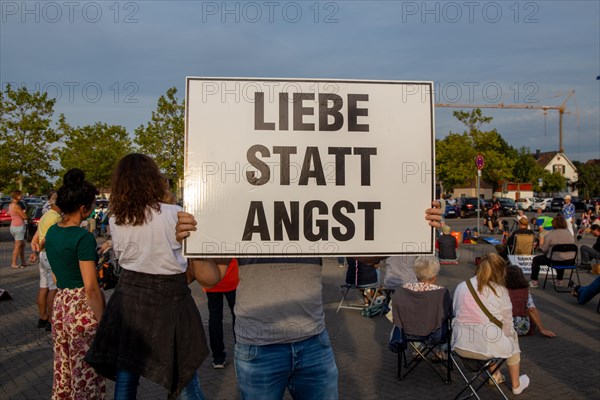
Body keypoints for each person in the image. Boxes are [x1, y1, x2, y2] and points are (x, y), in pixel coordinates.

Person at [175, 202, 444, 399]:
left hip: (313, 343)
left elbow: (368, 257)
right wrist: (195, 247)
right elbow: (210, 278)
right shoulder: (241, 209)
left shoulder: (316, 203)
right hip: (258, 348)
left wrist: (414, 224)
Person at [85, 154, 209, 400]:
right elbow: (185, 259)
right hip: (169, 298)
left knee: (126, 374)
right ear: (153, 178)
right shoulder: (175, 212)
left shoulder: (117, 219)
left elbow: (123, 258)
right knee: (181, 373)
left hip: (129, 297)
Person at [44, 169, 106, 399]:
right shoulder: (83, 238)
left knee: (64, 366)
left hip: (61, 304)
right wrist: (104, 321)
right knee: (85, 372)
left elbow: (58, 275)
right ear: (83, 208)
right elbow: (91, 287)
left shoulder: (51, 232)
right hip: (81, 308)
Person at [452, 253, 530, 395]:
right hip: (486, 348)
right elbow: (507, 326)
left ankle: (495, 374)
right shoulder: (500, 291)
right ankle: (516, 384)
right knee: (510, 335)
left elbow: (456, 311)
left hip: (460, 345)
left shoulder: (461, 286)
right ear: (501, 272)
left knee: (492, 333)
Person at [391, 256, 451, 361]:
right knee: (445, 322)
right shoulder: (442, 293)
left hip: (407, 333)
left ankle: (419, 349)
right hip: (434, 334)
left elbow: (394, 314)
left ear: (416, 273)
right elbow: (449, 313)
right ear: (434, 277)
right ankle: (440, 351)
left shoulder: (401, 290)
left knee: (415, 319)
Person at [29, 192, 61, 331]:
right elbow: (48, 238)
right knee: (53, 289)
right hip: (50, 254)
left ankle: (42, 316)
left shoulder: (45, 216)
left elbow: (36, 237)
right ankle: (50, 320)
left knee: (43, 287)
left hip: (42, 255)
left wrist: (35, 251)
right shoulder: (56, 217)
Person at [204, 258, 239, 369]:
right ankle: (239, 352)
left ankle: (218, 357)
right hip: (232, 278)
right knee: (237, 316)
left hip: (212, 281)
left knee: (215, 318)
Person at [505, 265, 556, 338]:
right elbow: (531, 309)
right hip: (523, 328)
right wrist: (542, 328)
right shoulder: (525, 291)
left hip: (505, 328)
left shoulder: (502, 290)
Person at [529, 215, 575, 288]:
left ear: (554, 224)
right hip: (569, 260)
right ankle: (559, 280)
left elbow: (544, 250)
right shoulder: (570, 234)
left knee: (536, 260)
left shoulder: (551, 234)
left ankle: (534, 281)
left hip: (554, 260)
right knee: (562, 256)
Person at [8, 190, 29, 269]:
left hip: (13, 226)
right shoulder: (16, 206)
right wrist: (25, 213)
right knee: (18, 245)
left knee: (22, 245)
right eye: (20, 195)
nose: (22, 196)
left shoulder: (10, 205)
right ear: (16, 196)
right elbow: (24, 216)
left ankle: (23, 261)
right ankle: (13, 263)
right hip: (18, 226)